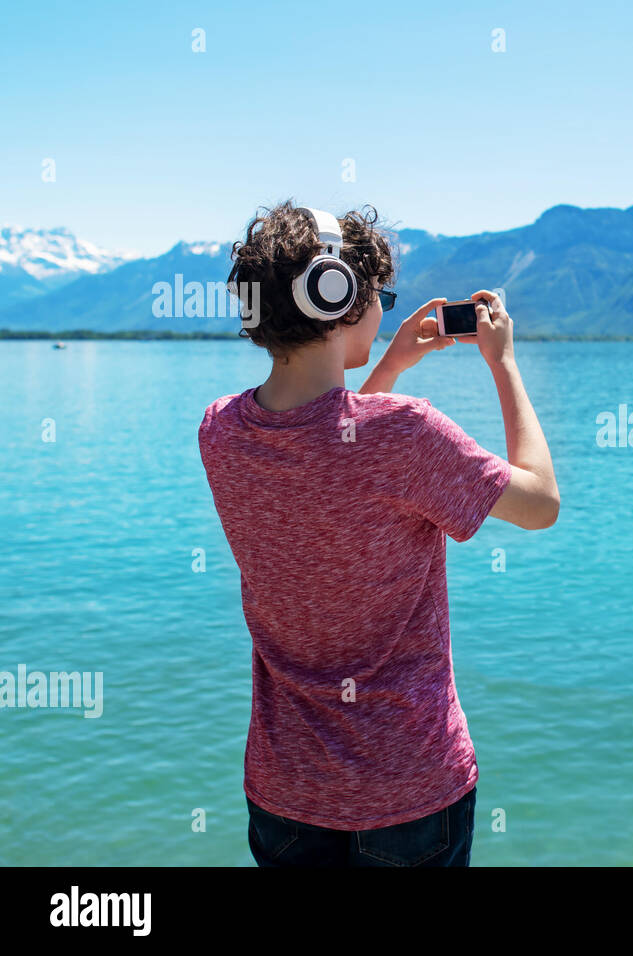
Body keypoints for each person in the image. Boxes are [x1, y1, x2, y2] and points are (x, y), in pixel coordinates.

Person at [197, 202, 559, 866]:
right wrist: (503, 363)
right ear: (335, 292)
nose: (385, 309)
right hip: (411, 797)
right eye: (381, 296)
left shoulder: (220, 432)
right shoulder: (406, 433)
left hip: (286, 797)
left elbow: (334, 451)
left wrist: (384, 375)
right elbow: (540, 502)